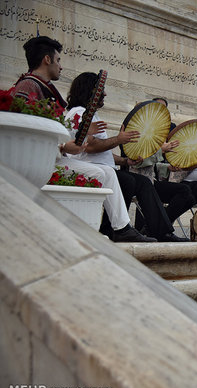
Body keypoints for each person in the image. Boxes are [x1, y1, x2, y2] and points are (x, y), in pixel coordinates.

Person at [13, 37, 153, 242]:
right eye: (58, 60)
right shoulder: (28, 86)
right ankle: (112, 229)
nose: (61, 66)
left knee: (106, 173)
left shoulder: (44, 88)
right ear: (46, 59)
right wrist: (63, 146)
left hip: (53, 156)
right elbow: (24, 131)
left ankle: (122, 228)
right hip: (39, 161)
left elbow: (52, 130)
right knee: (103, 173)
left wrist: (71, 139)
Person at [66, 72, 186, 242]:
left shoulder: (86, 113)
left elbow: (101, 151)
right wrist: (118, 139)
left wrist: (125, 161)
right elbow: (90, 146)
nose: (105, 94)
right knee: (131, 181)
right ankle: (127, 230)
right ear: (90, 91)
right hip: (90, 170)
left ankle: (119, 230)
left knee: (134, 182)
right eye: (102, 90)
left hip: (101, 167)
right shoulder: (80, 113)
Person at [128, 98, 195, 227]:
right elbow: (137, 160)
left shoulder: (152, 132)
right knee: (184, 191)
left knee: (189, 197)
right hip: (138, 180)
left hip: (150, 180)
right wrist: (162, 151)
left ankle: (158, 226)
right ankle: (161, 227)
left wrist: (168, 167)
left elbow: (151, 164)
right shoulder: (136, 131)